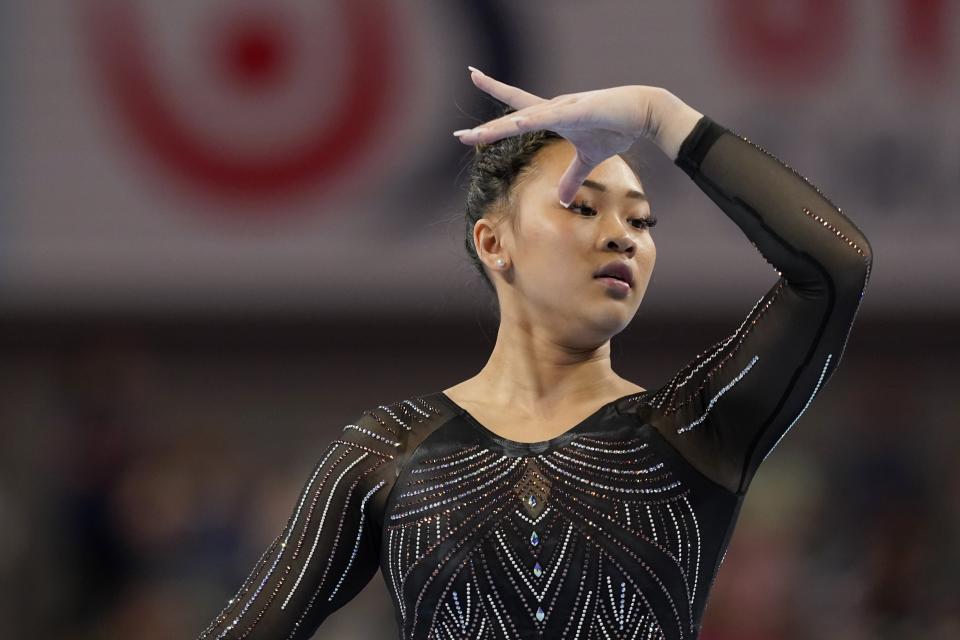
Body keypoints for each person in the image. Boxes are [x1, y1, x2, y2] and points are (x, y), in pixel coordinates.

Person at [196, 67, 872, 640]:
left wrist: (660, 115)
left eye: (640, 219)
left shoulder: (691, 431)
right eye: (582, 206)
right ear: (495, 244)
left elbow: (835, 264)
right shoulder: (387, 454)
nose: (622, 236)